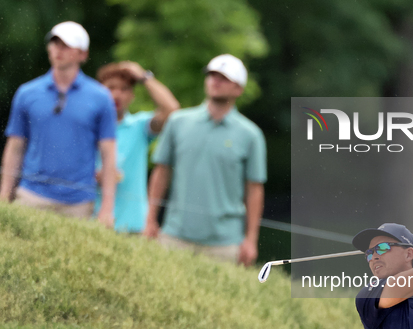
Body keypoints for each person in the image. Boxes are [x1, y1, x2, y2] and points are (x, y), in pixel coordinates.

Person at [145, 54, 266, 266]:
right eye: (211, 75)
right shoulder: (178, 122)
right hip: (174, 236)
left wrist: (251, 240)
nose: (215, 81)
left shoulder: (251, 135)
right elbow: (161, 171)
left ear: (238, 89)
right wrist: (150, 218)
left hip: (225, 244)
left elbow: (254, 189)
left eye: (223, 78)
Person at [0, 21, 117, 226]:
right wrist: (4, 196)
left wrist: (107, 209)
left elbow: (108, 155)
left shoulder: (101, 97)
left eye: (66, 45)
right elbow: (15, 147)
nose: (58, 50)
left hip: (78, 205)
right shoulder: (27, 93)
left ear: (83, 54)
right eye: (54, 44)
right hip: (30, 197)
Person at [95, 61, 180, 233]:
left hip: (132, 225)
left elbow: (172, 110)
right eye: (110, 87)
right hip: (92, 219)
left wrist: (144, 77)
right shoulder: (87, 127)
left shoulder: (139, 126)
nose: (117, 94)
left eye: (124, 89)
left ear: (132, 96)